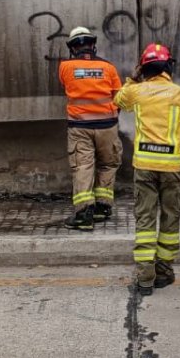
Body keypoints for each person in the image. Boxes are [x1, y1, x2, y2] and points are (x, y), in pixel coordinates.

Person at [114, 43, 180, 296]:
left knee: (145, 219)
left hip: (144, 167)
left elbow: (118, 99)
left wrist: (133, 78)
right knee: (170, 218)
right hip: (172, 168)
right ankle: (164, 272)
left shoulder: (137, 91)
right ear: (167, 67)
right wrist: (177, 144)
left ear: (145, 68)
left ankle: (144, 278)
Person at [58, 27, 123, 231]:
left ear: (72, 47)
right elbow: (119, 98)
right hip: (107, 126)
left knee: (83, 166)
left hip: (79, 127)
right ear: (93, 45)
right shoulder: (109, 68)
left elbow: (67, 87)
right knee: (108, 164)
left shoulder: (65, 67)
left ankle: (84, 214)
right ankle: (102, 208)